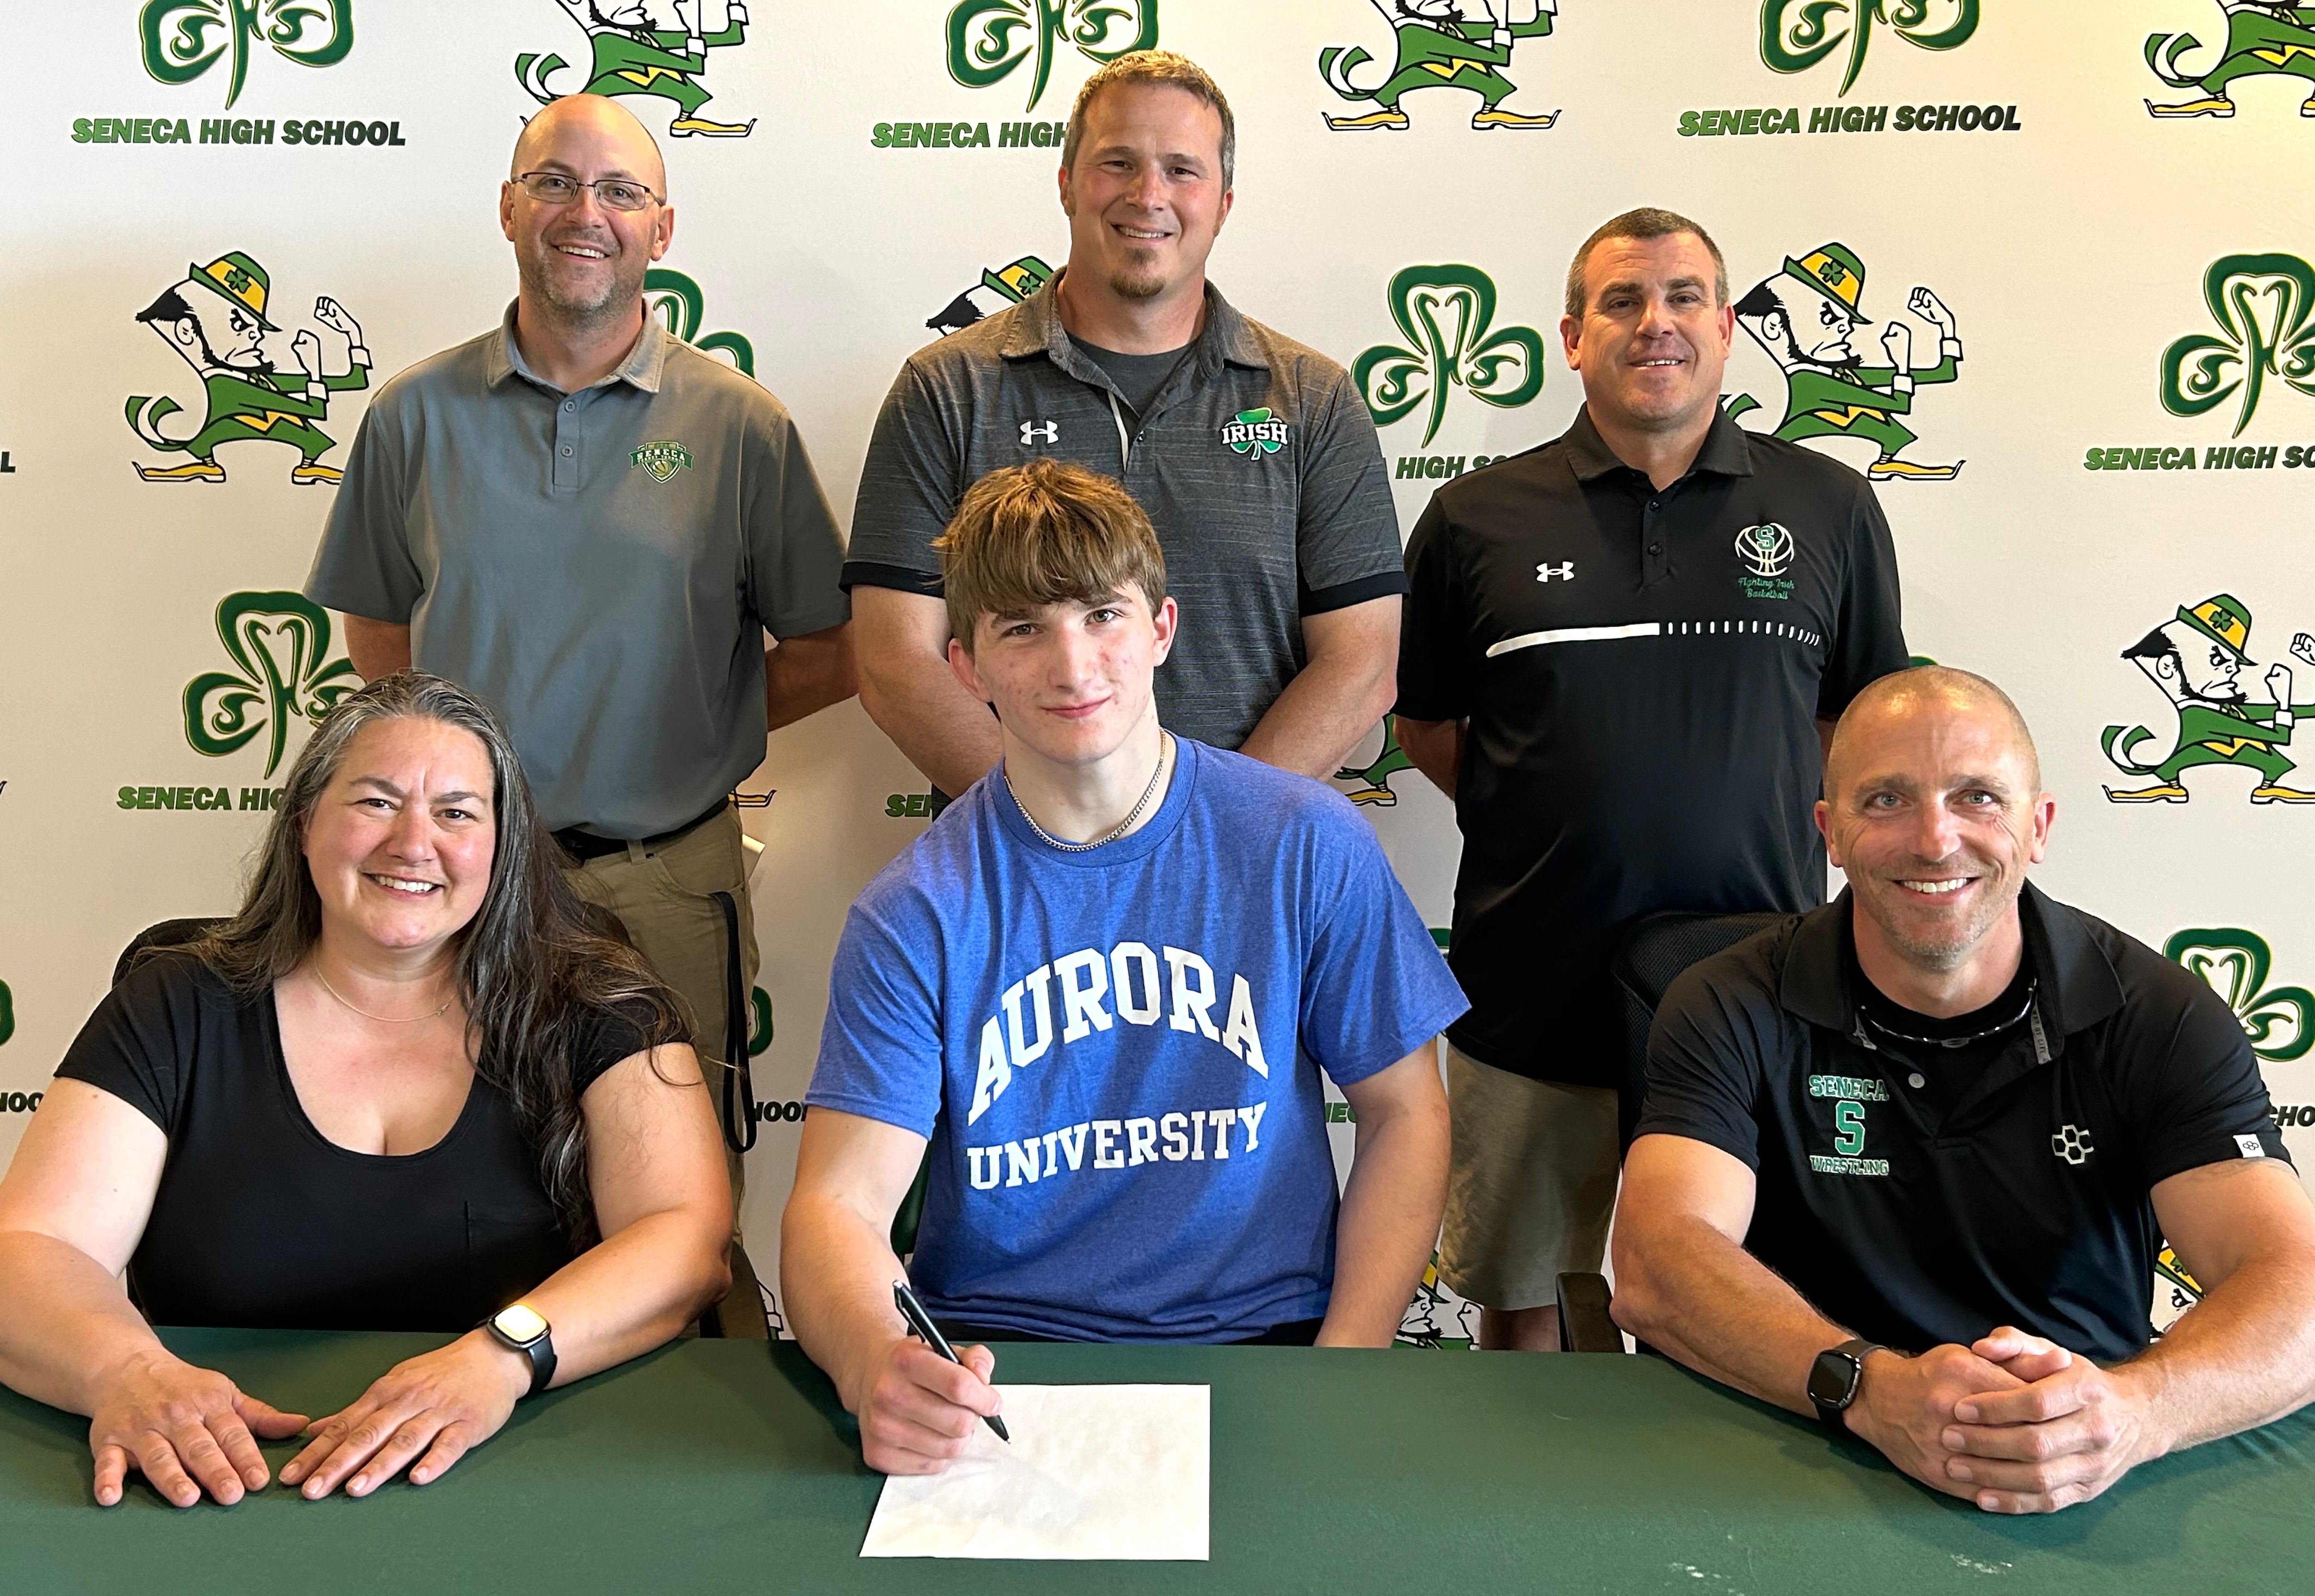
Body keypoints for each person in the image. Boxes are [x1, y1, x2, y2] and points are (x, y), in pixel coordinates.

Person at [782, 460, 1463, 1474]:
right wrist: (876, 1358)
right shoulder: (917, 909)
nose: (1073, 663)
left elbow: (1406, 1110)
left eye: (1103, 613)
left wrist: (1348, 1359)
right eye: (1022, 627)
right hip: (1002, 1360)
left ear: (1161, 629)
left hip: (1268, 1341)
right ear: (967, 666)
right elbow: (835, 1207)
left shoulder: (1302, 842)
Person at [0, 673, 732, 1509]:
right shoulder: (177, 1003)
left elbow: (686, 1239)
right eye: (377, 803)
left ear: (502, 846)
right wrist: (125, 1373)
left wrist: (500, 1359)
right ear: (306, 825)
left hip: (529, 1463)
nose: (414, 844)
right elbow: (29, 1248)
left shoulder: (601, 1003)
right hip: (215, 1478)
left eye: (457, 812)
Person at [1614, 667, 2315, 1515]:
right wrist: (1870, 1390)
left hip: (2076, 1467)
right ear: (1829, 834)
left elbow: (2296, 1282)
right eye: (1886, 802)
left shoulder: (2160, 1014)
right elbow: (1658, 1259)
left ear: (2039, 825)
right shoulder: (1728, 1000)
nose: (1936, 840)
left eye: (1978, 797)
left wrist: (2134, 1415)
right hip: (1793, 1439)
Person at [1394, 206, 1909, 1350]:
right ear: (1572, 337)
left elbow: (1862, 716)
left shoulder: (1831, 505)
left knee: (1747, 1307)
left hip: (1760, 993)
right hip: (1529, 982)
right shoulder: (1473, 517)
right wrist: (1545, 807)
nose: (1655, 323)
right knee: (1525, 1302)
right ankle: (1527, 1523)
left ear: (1726, 329)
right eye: (1621, 302)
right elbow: (1425, 718)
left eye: (1683, 298)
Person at [305, 94, 854, 1166]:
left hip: (669, 880)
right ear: (509, 208)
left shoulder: (740, 424)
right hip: (456, 873)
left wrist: (695, 719)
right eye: (553, 182)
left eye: (619, 191)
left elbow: (833, 650)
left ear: (662, 227)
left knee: (679, 1191)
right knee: (458, 1172)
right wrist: (452, 766)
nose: (582, 212)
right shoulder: (414, 415)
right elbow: (375, 622)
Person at [845, 50, 1404, 803]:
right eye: (1118, 164)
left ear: (1224, 202)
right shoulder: (946, 389)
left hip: (1242, 863)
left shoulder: (1315, 400)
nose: (1149, 195)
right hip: (1019, 875)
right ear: (1068, 185)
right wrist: (1055, 830)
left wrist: (1204, 835)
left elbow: (1361, 663)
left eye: (1182, 169)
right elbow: (893, 659)